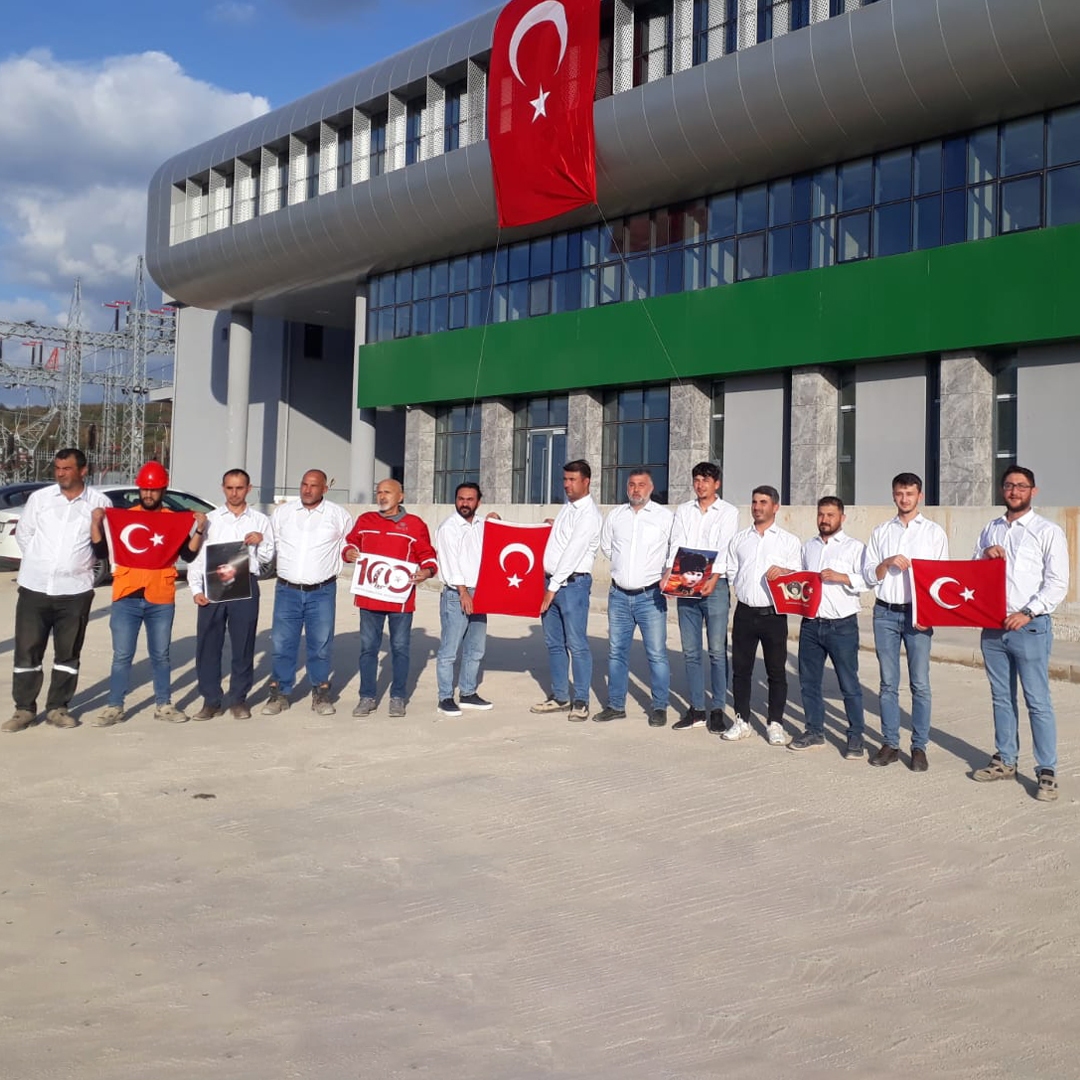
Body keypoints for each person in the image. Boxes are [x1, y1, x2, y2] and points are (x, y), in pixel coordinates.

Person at [972, 466, 1069, 802]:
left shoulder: (1047, 531)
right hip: (993, 627)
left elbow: (1057, 582)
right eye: (1009, 485)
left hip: (1029, 626)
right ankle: (1005, 759)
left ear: (1033, 491)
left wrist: (1027, 612)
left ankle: (1047, 771)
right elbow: (972, 571)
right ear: (1002, 490)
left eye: (1021, 486)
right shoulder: (991, 529)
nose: (1014, 491)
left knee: (1037, 700)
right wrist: (984, 554)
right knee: (1001, 697)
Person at [4, 448, 110, 733]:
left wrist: (74, 565)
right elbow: (25, 534)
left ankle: (58, 708)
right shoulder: (40, 499)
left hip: (75, 592)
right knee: (27, 652)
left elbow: (103, 546)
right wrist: (41, 562)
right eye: (58, 468)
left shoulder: (100, 503)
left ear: (83, 471)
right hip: (35, 588)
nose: (60, 473)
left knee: (68, 653)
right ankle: (24, 709)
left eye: (67, 468)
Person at [94, 461, 206, 726]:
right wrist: (96, 523)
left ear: (163, 490)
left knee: (161, 656)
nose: (148, 494)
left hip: (160, 597)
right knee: (122, 656)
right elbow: (99, 551)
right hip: (126, 595)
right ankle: (115, 706)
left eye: (153, 489)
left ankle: (164, 705)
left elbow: (188, 554)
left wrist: (199, 529)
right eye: (144, 489)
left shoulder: (171, 520)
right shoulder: (124, 517)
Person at [863, 471, 949, 770]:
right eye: (899, 493)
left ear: (919, 496)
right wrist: (886, 563)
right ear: (893, 495)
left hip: (918, 614)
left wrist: (930, 613)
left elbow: (942, 580)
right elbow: (868, 574)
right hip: (885, 612)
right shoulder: (881, 531)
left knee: (920, 683)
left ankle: (919, 746)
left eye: (910, 493)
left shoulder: (934, 533)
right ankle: (890, 743)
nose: (904, 498)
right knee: (888, 683)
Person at [343, 478, 437, 718]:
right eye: (379, 492)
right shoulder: (365, 521)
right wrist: (349, 552)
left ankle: (398, 697)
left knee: (400, 648)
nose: (382, 496)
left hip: (400, 601)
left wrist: (427, 571)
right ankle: (367, 697)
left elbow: (427, 555)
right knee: (368, 649)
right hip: (369, 599)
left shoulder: (415, 524)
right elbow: (350, 543)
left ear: (400, 496)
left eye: (387, 492)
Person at [262, 469, 352, 716]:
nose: (307, 489)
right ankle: (280, 694)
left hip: (322, 591)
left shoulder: (338, 515)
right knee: (282, 643)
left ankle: (321, 693)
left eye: (313, 485)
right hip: (287, 590)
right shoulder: (283, 513)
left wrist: (350, 553)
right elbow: (268, 546)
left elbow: (349, 545)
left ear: (325, 489)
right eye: (304, 484)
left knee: (320, 644)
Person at [188, 468, 274, 720]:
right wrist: (195, 589)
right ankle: (211, 700)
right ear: (223, 488)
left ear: (249, 489)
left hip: (245, 585)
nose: (234, 493)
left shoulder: (260, 520)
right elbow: (197, 557)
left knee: (243, 644)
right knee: (208, 644)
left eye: (239, 488)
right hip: (213, 585)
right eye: (229, 488)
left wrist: (261, 540)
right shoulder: (210, 520)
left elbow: (268, 557)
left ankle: (238, 699)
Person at [789, 497, 871, 759]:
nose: (824, 520)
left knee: (849, 684)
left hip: (842, 626)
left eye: (830, 515)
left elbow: (869, 581)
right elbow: (800, 580)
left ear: (842, 518)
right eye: (821, 515)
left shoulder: (855, 548)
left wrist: (841, 577)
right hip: (811, 624)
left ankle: (856, 736)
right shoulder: (808, 547)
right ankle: (814, 731)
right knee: (808, 682)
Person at [594, 470, 674, 727]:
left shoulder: (665, 517)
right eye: (631, 485)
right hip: (618, 595)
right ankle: (616, 705)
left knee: (656, 654)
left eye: (641, 485)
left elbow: (673, 549)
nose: (636, 489)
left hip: (650, 596)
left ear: (651, 488)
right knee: (616, 652)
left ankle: (659, 706)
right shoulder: (616, 516)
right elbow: (607, 547)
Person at [723, 485, 802, 746]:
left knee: (776, 671)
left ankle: (775, 723)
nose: (757, 507)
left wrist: (785, 571)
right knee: (741, 670)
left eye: (763, 502)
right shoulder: (739, 539)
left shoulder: (789, 541)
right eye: (755, 502)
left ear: (775, 507)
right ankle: (742, 721)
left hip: (774, 615)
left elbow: (799, 577)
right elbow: (732, 570)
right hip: (745, 612)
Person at [666, 461, 739, 733]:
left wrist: (714, 578)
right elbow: (676, 542)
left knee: (717, 651)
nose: (700, 485)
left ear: (716, 484)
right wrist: (670, 576)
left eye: (706, 480)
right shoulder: (684, 510)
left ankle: (717, 709)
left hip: (715, 586)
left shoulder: (728, 512)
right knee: (691, 651)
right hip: (686, 584)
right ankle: (697, 709)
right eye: (697, 479)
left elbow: (725, 546)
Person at [530, 460, 602, 722]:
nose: (567, 485)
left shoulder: (589, 514)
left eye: (572, 480)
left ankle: (581, 700)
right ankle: (560, 696)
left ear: (586, 481)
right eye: (565, 479)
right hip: (552, 582)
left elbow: (573, 553)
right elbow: (563, 540)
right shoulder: (568, 508)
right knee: (554, 644)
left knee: (577, 644)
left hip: (571, 586)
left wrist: (551, 589)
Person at [432, 482, 492, 717]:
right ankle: (445, 697)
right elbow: (450, 563)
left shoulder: (482, 525)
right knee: (450, 649)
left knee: (476, 648)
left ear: (478, 502)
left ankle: (467, 692)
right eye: (460, 499)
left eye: (469, 499)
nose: (464, 503)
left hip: (481, 592)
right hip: (457, 594)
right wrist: (463, 592)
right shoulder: (449, 528)